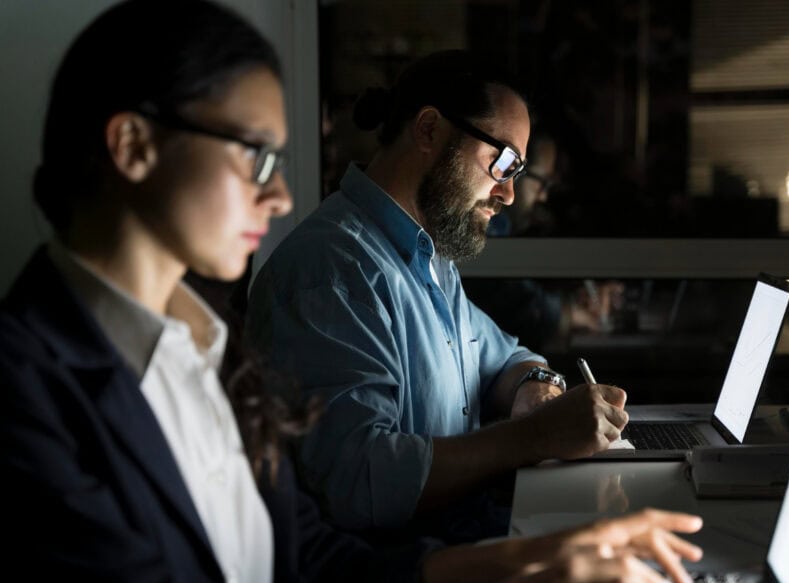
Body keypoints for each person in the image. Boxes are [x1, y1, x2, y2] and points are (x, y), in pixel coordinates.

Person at [0, 2, 705, 583]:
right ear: (134, 145)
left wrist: (543, 557)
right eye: (256, 158)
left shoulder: (207, 347)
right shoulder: (22, 385)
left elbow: (309, 559)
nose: (278, 200)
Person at [246, 50, 630, 538]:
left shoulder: (428, 256)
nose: (509, 193)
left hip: (462, 541)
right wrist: (534, 437)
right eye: (504, 162)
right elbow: (360, 482)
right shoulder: (335, 272)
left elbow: (505, 355)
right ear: (429, 130)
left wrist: (535, 386)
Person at [466, 125, 624, 350]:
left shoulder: (508, 227)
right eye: (542, 182)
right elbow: (504, 294)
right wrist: (567, 314)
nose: (544, 195)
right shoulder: (485, 226)